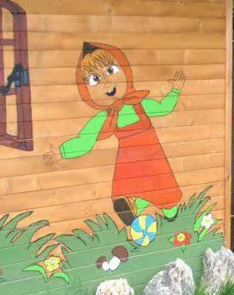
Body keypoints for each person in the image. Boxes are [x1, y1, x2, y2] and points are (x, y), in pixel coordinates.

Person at [60, 42, 185, 225]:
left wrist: (175, 91)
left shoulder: (138, 103)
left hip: (152, 156)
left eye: (111, 70)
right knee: (132, 189)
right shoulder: (108, 116)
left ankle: (167, 213)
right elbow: (86, 138)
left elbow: (162, 108)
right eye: (95, 79)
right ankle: (132, 209)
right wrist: (63, 151)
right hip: (130, 161)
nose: (106, 82)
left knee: (162, 191)